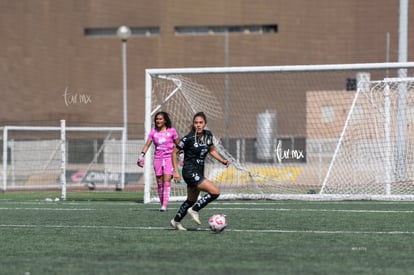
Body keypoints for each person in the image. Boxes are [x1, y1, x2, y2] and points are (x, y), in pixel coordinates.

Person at [170, 112, 230, 230]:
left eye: (201, 123)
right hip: (189, 171)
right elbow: (174, 152)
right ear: (193, 124)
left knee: (191, 200)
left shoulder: (208, 135)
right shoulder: (188, 138)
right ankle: (195, 210)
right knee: (215, 192)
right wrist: (176, 172)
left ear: (205, 124)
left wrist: (222, 160)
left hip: (199, 171)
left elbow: (211, 150)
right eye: (196, 123)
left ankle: (176, 221)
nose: (198, 125)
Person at [138, 111, 179, 212]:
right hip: (157, 159)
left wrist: (182, 157)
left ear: (165, 120)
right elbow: (147, 144)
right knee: (159, 182)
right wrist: (141, 156)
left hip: (169, 159)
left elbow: (179, 145)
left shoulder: (172, 131)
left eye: (160, 119)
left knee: (167, 180)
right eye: (157, 119)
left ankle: (164, 205)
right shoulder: (153, 132)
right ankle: (162, 204)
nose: (158, 121)